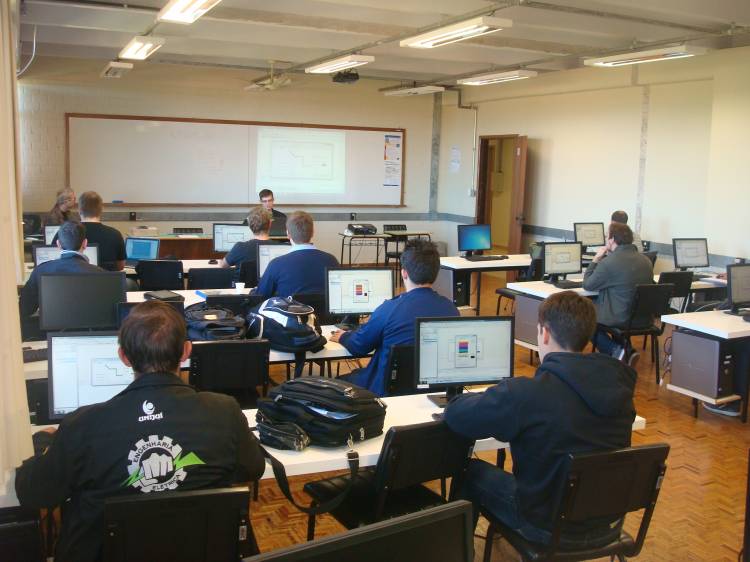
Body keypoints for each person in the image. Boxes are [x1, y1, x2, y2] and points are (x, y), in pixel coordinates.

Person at [15, 300, 266, 562]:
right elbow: (253, 468)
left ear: (123, 356)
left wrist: (43, 442)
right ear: (186, 351)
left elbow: (33, 492)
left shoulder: (81, 426)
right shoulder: (224, 411)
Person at [445, 291, 636, 546]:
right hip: (605, 522)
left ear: (544, 333)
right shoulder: (619, 390)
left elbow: (458, 417)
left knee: (471, 472)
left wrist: (464, 399)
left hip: (545, 526)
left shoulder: (526, 394)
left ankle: (455, 551)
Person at [330, 240, 459, 396]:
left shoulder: (389, 309)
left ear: (404, 273)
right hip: (435, 394)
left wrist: (343, 336)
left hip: (385, 395)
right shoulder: (452, 310)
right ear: (436, 272)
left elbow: (359, 346)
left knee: (338, 382)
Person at [583, 222, 653, 361]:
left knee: (584, 318)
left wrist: (596, 259)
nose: (605, 239)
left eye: (606, 236)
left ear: (612, 239)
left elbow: (588, 285)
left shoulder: (609, 262)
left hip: (620, 318)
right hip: (643, 319)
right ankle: (628, 351)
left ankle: (616, 350)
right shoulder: (646, 261)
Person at [19, 221, 103, 317]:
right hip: (90, 325)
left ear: (58, 244)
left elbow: (24, 309)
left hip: (50, 326)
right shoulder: (101, 274)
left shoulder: (41, 271)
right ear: (85, 243)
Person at [254, 210, 338, 297]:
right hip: (322, 307)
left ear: (288, 234)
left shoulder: (276, 264)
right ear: (313, 232)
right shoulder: (332, 261)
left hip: (289, 306)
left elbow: (260, 296)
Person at [75, 191, 126, 271]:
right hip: (107, 278)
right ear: (101, 210)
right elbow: (120, 266)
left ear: (79, 210)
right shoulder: (115, 235)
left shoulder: (65, 234)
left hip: (75, 279)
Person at [221, 206, 275, 272]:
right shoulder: (279, 248)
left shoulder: (239, 247)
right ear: (270, 224)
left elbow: (223, 266)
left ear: (249, 224)